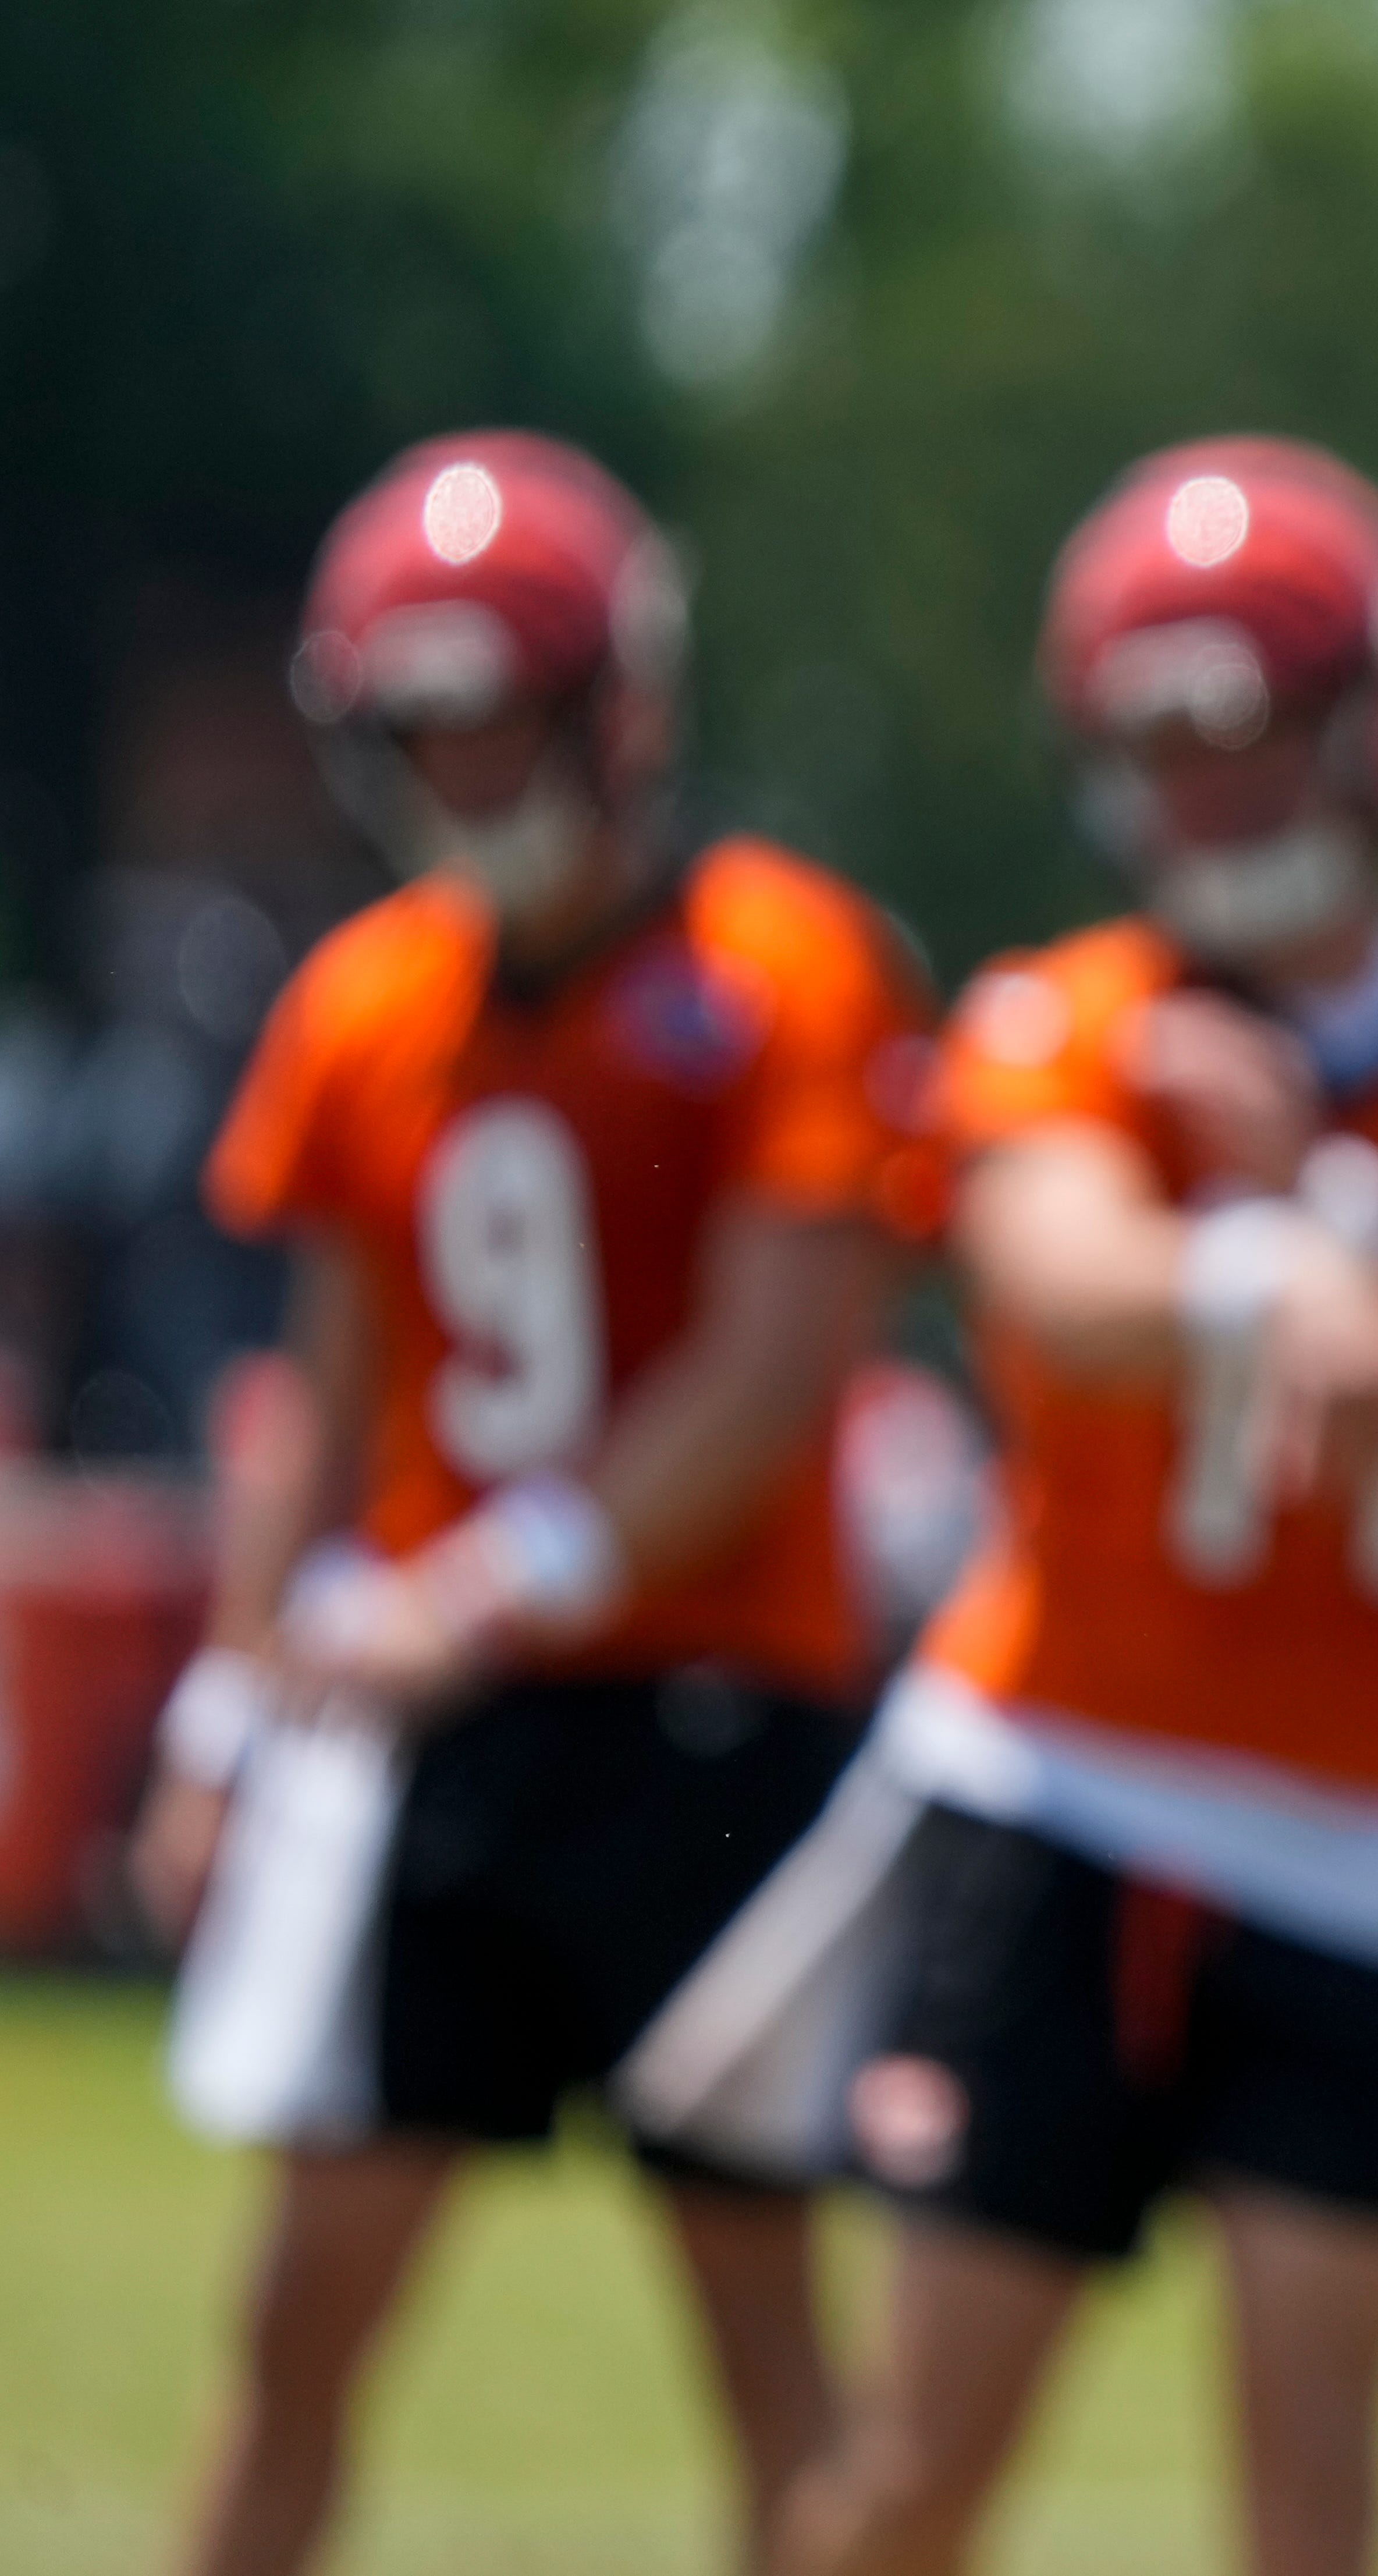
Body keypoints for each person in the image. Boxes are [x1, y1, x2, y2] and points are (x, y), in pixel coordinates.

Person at [782, 438, 1378, 2576]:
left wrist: (1346, 1220)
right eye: (1160, 737)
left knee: (1314, 2494)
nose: (1205, 787)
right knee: (915, 2464)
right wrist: (1274, 1265)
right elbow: (1058, 1283)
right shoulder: (1075, 1014)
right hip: (1062, 1779)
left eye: (1245, 729)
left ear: (1374, 729)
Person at [129, 430, 936, 2576]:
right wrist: (226, 1705)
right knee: (298, 2316)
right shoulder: (364, 998)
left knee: (771, 2344)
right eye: (424, 720)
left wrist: (487, 1582)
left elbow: (775, 1379)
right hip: (442, 1748)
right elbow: (320, 1397)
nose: (462, 764)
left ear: (617, 706)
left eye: (497, 712)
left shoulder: (791, 966)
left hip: (716, 1726)